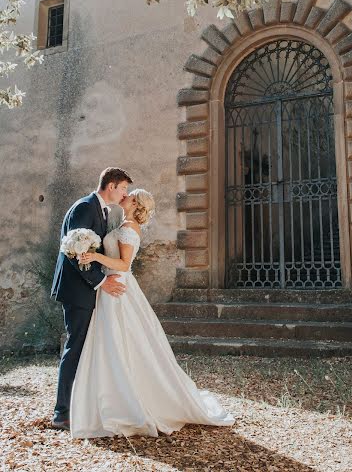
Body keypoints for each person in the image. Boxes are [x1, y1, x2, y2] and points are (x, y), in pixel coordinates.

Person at [70, 189, 235, 438]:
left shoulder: (131, 227)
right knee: (109, 341)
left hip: (119, 285)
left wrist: (95, 255)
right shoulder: (121, 223)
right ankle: (109, 398)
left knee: (124, 339)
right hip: (109, 285)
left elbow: (125, 264)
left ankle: (132, 401)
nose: (123, 195)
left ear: (135, 203)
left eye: (128, 195)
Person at [51, 167, 133, 430]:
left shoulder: (102, 210)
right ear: (111, 185)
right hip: (77, 290)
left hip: (88, 290)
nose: (125, 194)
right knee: (75, 347)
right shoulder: (84, 208)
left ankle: (81, 404)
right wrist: (101, 281)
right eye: (123, 189)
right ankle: (62, 413)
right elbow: (74, 251)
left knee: (84, 348)